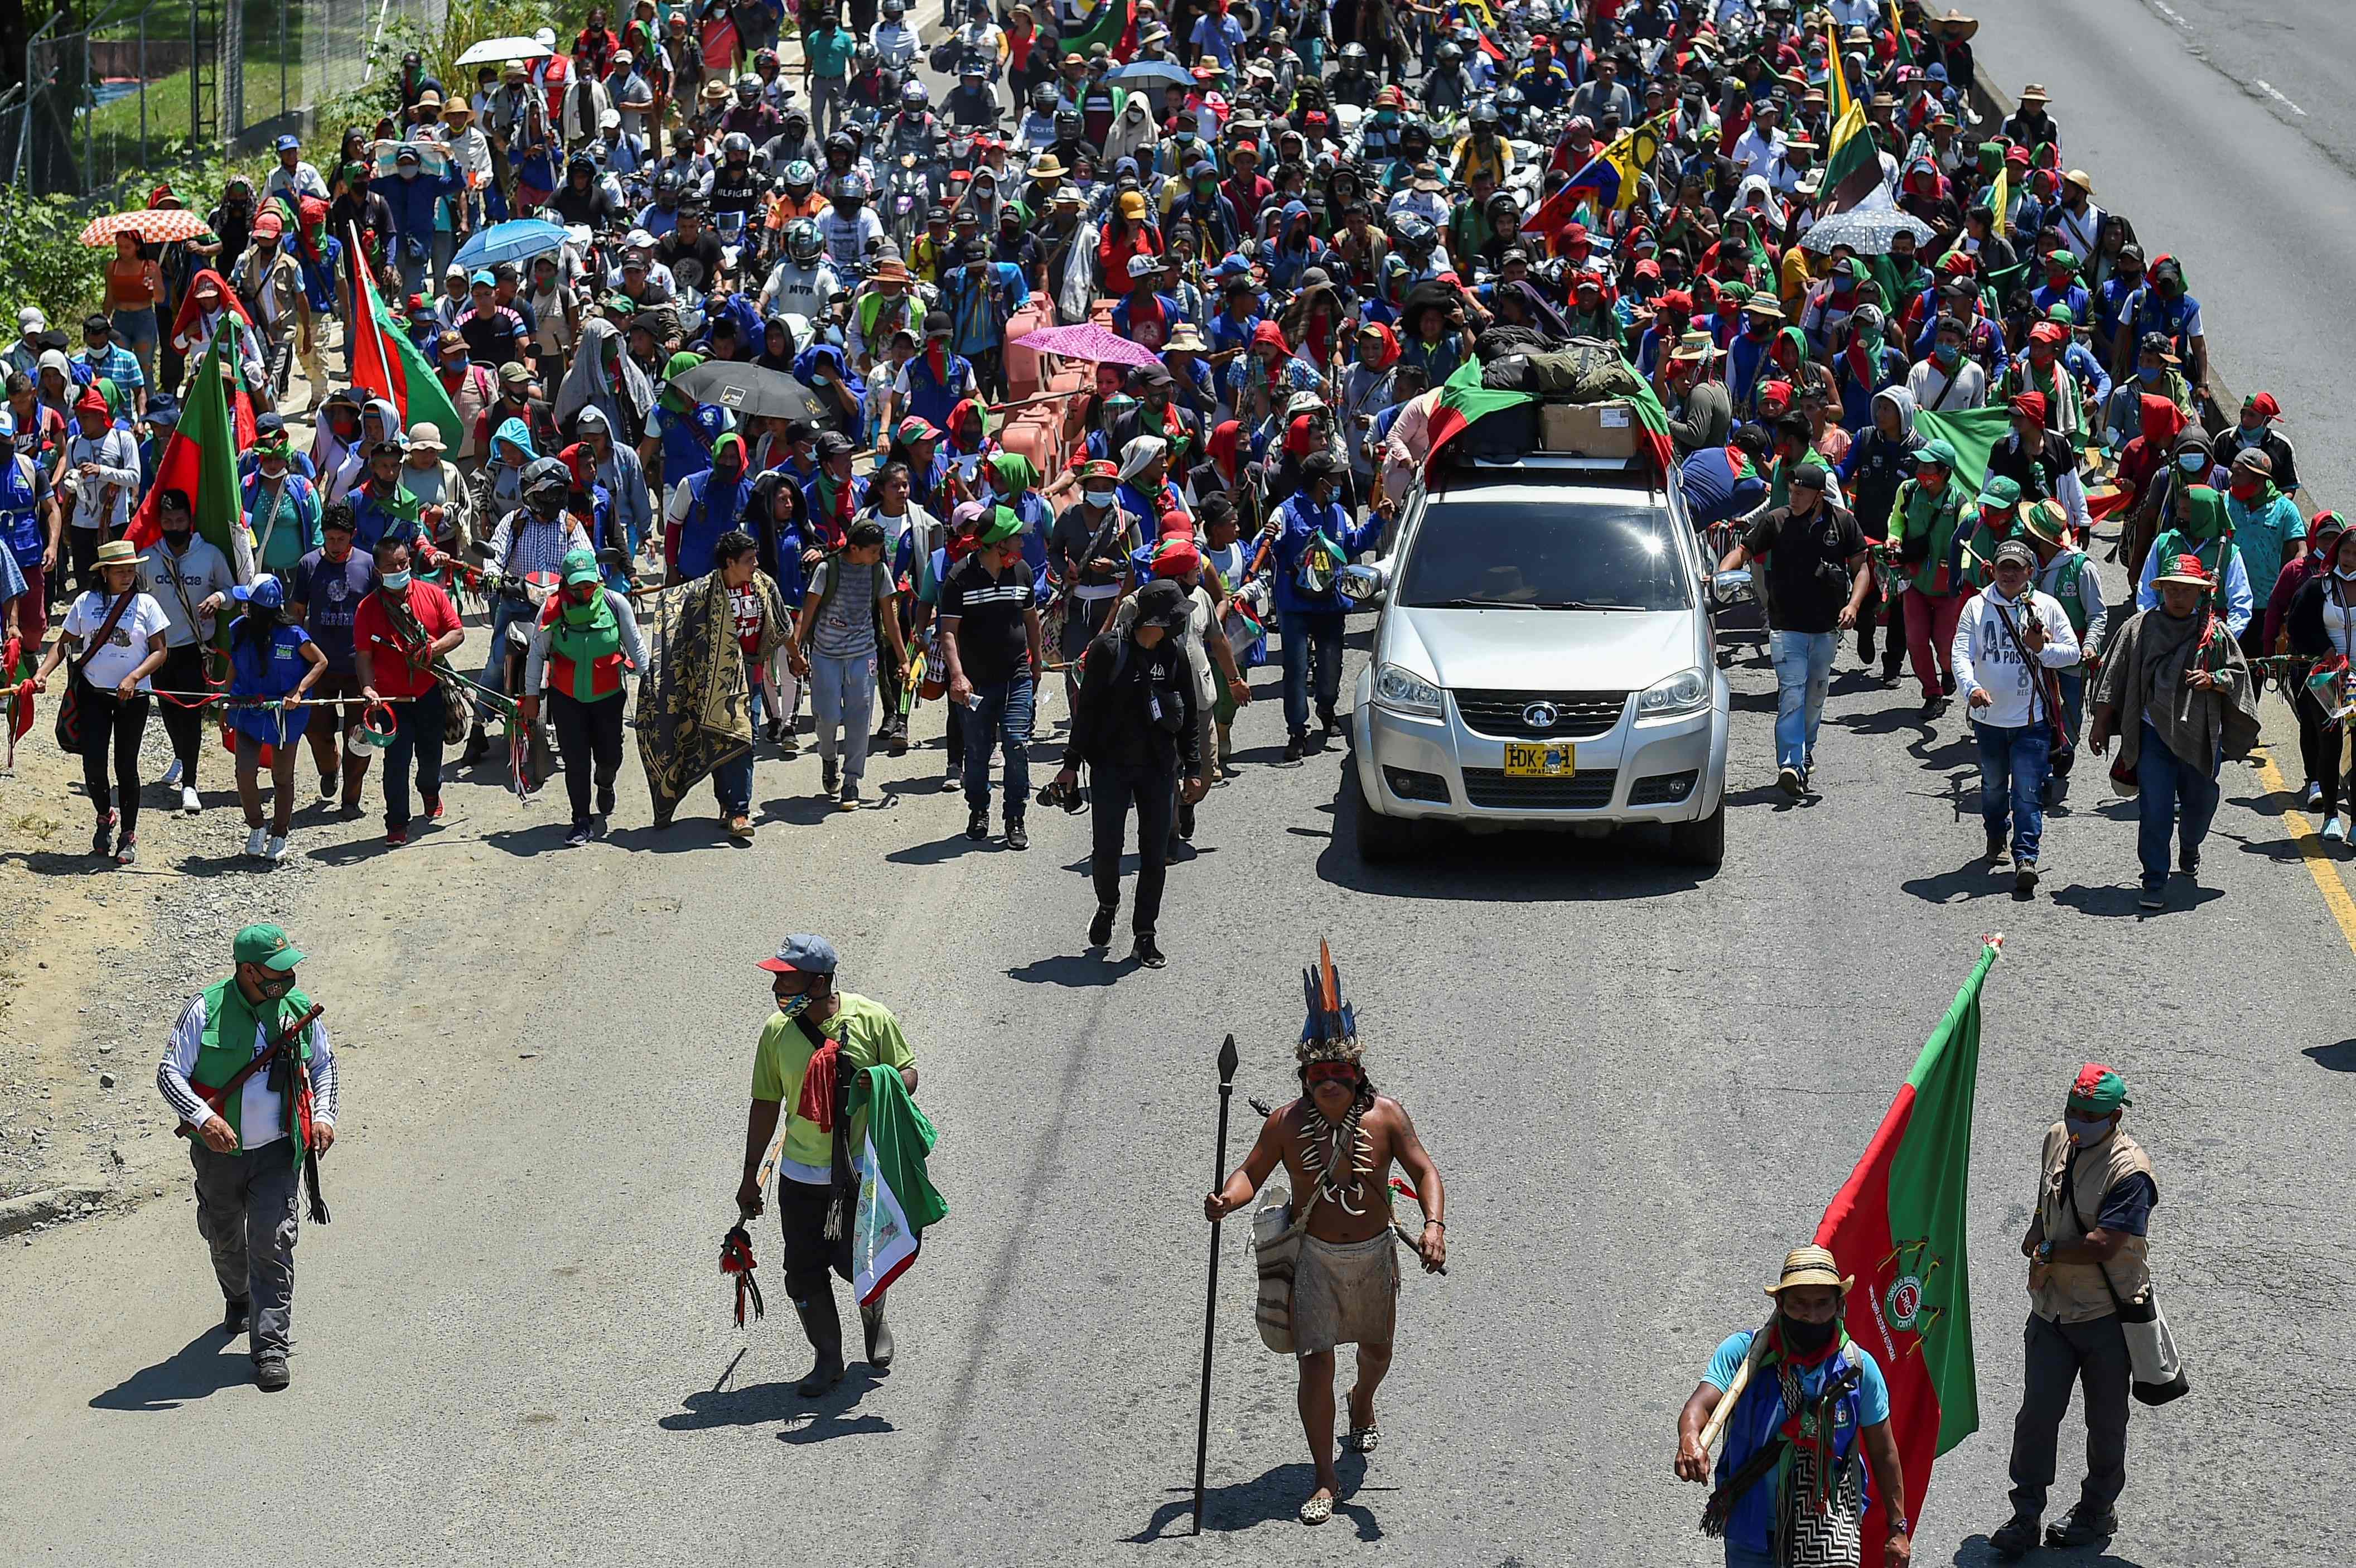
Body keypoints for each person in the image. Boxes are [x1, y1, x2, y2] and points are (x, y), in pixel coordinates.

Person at [1203, 946, 1446, 1527]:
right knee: (1315, 1364)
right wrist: (1226, 1201)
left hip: (1372, 1258)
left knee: (1377, 1353)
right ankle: (1325, 1477)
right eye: (1319, 1076)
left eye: (1340, 1075)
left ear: (1357, 1076)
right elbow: (1251, 1173)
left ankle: (1362, 1402)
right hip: (1312, 1261)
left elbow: (1424, 1171)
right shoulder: (1285, 1124)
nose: (1330, 1084)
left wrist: (1434, 1226)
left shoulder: (1387, 1117)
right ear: (1305, 1078)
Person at [733, 934, 919, 1396]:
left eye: (786, 978)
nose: (778, 986)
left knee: (859, 1264)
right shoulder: (777, 1031)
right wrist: (750, 1176)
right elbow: (765, 1103)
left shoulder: (872, 1019)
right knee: (801, 1270)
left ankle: (873, 1320)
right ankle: (828, 1358)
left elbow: (909, 1072)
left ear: (818, 982)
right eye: (776, 977)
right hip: (800, 1176)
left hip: (858, 1172)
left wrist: (879, 1081)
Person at [156, 923, 337, 1392]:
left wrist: (325, 1115)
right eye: (275, 970)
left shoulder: (297, 1009)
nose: (287, 976)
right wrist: (201, 1117)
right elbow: (169, 1073)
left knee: (272, 1241)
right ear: (247, 969)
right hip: (219, 1156)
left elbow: (324, 1064)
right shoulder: (205, 1009)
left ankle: (271, 1347)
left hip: (279, 1151)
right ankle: (237, 1296)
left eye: (289, 966)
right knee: (225, 1237)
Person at [1992, 1064, 2159, 1560]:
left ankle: (2096, 1509)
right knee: (2037, 1417)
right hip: (2052, 1312)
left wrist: (2046, 1252)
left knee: (2106, 1422)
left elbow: (2104, 1244)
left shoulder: (2132, 1173)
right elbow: (2050, 1199)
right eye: (2074, 1110)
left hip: (2106, 1316)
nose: (2079, 1121)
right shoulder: (2057, 1137)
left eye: (2092, 1114)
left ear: (2116, 1115)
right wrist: (2037, 1228)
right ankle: (2025, 1515)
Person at [1674, 1245, 1914, 1568]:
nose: (1812, 1316)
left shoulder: (1858, 1369)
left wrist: (1898, 1529)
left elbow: (1884, 1452)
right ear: (1780, 1304)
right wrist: (1690, 1439)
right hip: (1751, 1527)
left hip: (1827, 1528)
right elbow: (1700, 1406)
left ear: (1839, 1305)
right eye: (1799, 1304)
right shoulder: (1743, 1356)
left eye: (1822, 1305)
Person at [2088, 553, 2261, 910]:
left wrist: (2215, 680)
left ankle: (2191, 843)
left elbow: (2239, 676)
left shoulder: (2215, 634)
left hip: (2200, 736)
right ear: (2162, 590)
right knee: (2155, 808)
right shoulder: (2139, 628)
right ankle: (2153, 879)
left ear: (2200, 593)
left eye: (2186, 590)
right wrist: (2101, 724)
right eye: (2171, 590)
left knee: (2201, 803)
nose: (2178, 597)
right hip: (2153, 736)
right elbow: (2114, 677)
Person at [1048, 579, 1206, 968]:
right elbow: (1086, 713)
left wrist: (1194, 768)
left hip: (1158, 769)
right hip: (1111, 769)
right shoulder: (1108, 651)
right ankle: (1108, 902)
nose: (1179, 625)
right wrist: (1070, 765)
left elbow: (1188, 716)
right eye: (1174, 618)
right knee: (1107, 851)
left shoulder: (1175, 655)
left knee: (1155, 855)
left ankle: (1145, 934)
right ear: (1154, 619)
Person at [1717, 460, 1869, 798]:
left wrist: (1853, 605)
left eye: (1801, 493)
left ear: (1819, 496)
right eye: (1792, 491)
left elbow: (1861, 570)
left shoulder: (1843, 523)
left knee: (1815, 695)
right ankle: (1790, 763)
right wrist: (1720, 578)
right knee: (1791, 693)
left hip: (1827, 628)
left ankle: (1804, 749)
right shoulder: (1777, 520)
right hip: (1785, 627)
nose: (1794, 497)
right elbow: (1743, 551)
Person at [1953, 539, 2082, 894]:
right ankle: (1996, 834)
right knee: (1994, 788)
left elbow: (2071, 654)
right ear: (1993, 569)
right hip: (1990, 722)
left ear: (2030, 572)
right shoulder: (1976, 608)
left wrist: (2042, 649)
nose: (2009, 574)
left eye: (2016, 568)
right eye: (2003, 566)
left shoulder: (2047, 607)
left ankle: (2026, 857)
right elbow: (1960, 655)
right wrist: (1971, 689)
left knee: (2027, 793)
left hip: (2033, 723)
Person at [32, 537, 168, 863]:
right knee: (93, 762)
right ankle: (105, 815)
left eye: (131, 570)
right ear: (105, 572)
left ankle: (128, 834)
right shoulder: (84, 603)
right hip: (92, 694)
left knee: (126, 764)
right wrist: (43, 674)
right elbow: (64, 644)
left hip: (132, 697)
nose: (128, 576)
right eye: (120, 570)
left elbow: (161, 651)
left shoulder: (147, 605)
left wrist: (134, 677)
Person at [521, 548, 649, 846]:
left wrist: (651, 683)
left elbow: (637, 649)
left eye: (588, 585)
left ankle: (605, 782)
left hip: (608, 698)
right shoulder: (551, 610)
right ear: (565, 583)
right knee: (576, 761)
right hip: (567, 699)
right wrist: (531, 696)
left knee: (610, 756)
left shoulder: (616, 604)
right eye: (576, 586)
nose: (583, 592)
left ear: (598, 581)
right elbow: (537, 654)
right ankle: (581, 819)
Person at [938, 506, 1044, 848]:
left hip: (1016, 677)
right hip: (976, 685)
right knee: (978, 751)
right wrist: (957, 677)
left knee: (1016, 743)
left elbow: (1031, 621)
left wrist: (1037, 663)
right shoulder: (959, 578)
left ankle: (1015, 816)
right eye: (1016, 538)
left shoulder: (1023, 573)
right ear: (999, 545)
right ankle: (979, 810)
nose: (1022, 544)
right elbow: (949, 632)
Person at [1264, 451, 1382, 759]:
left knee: (1330, 672)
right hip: (1296, 607)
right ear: (1322, 483)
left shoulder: (1339, 513)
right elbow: (1263, 550)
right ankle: (1297, 731)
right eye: (1336, 477)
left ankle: (1326, 709)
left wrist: (1380, 518)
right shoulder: (1286, 513)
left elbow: (1354, 545)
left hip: (1331, 607)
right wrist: (1269, 539)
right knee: (1296, 670)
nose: (1341, 481)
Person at [352, 535, 466, 847]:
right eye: (391, 566)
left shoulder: (431, 594)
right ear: (378, 571)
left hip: (429, 692)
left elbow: (457, 632)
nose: (400, 569)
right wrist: (368, 688)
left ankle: (430, 790)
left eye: (403, 563)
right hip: (392, 701)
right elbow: (363, 657)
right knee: (396, 762)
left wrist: (433, 649)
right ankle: (397, 823)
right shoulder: (367, 609)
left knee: (431, 756)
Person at [136, 487, 238, 817]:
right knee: (168, 710)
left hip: (196, 648)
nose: (174, 526)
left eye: (180, 520)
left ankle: (190, 783)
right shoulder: (149, 559)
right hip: (161, 650)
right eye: (168, 521)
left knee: (192, 714)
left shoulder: (209, 555)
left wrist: (219, 600)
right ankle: (181, 755)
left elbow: (232, 591)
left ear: (190, 521)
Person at [794, 517, 907, 810]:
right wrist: (795, 652)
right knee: (828, 717)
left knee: (860, 719)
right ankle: (829, 758)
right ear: (854, 548)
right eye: (873, 552)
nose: (878, 557)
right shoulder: (827, 570)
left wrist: (903, 659)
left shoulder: (878, 572)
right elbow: (807, 612)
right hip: (825, 655)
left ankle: (851, 781)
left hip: (863, 655)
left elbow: (889, 619)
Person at [224, 573, 327, 860]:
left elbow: (320, 662)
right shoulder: (239, 630)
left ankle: (280, 833)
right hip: (247, 710)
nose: (243, 608)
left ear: (261, 609)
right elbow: (234, 664)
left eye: (248, 604)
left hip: (284, 715)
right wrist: (224, 698)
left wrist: (299, 691)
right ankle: (256, 825)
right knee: (245, 772)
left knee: (282, 777)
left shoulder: (294, 636)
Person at [290, 504, 377, 814]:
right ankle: (329, 767)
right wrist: (293, 658)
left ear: (352, 536)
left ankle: (351, 798)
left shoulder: (368, 566)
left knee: (360, 734)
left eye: (341, 539)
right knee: (316, 729)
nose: (335, 546)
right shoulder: (308, 565)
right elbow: (297, 614)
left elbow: (380, 613)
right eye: (330, 539)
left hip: (359, 668)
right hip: (319, 666)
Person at [1885, 439, 1975, 712]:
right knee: (1916, 640)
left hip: (1948, 591)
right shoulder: (1908, 490)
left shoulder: (1961, 504)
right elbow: (1897, 520)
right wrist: (1893, 537)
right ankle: (1932, 693)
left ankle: (1948, 671)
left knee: (1946, 644)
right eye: (1920, 464)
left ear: (1944, 472)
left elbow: (1968, 544)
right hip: (1915, 585)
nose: (1921, 470)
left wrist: (1963, 576)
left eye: (1928, 466)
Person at [2283, 524, 2356, 844]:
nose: (2351, 559)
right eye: (2346, 552)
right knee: (2331, 744)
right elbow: (2297, 626)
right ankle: (2331, 815)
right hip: (2328, 676)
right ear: (2336, 553)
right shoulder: (2318, 588)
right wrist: (2325, 649)